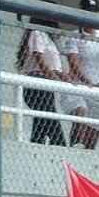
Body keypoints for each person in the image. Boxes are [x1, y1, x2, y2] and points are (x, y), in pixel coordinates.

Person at [59, 0, 99, 151]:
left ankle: (88, 153)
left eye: (95, 12)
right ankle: (73, 148)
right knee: (80, 113)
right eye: (88, 12)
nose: (92, 15)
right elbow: (74, 63)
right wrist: (89, 83)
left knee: (94, 129)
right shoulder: (74, 36)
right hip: (79, 86)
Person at [18, 18, 68, 146]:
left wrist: (63, 76)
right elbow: (39, 59)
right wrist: (54, 77)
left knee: (42, 118)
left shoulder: (49, 39)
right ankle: (60, 144)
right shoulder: (37, 32)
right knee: (49, 117)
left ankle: (36, 144)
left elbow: (52, 65)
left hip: (46, 83)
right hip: (36, 82)